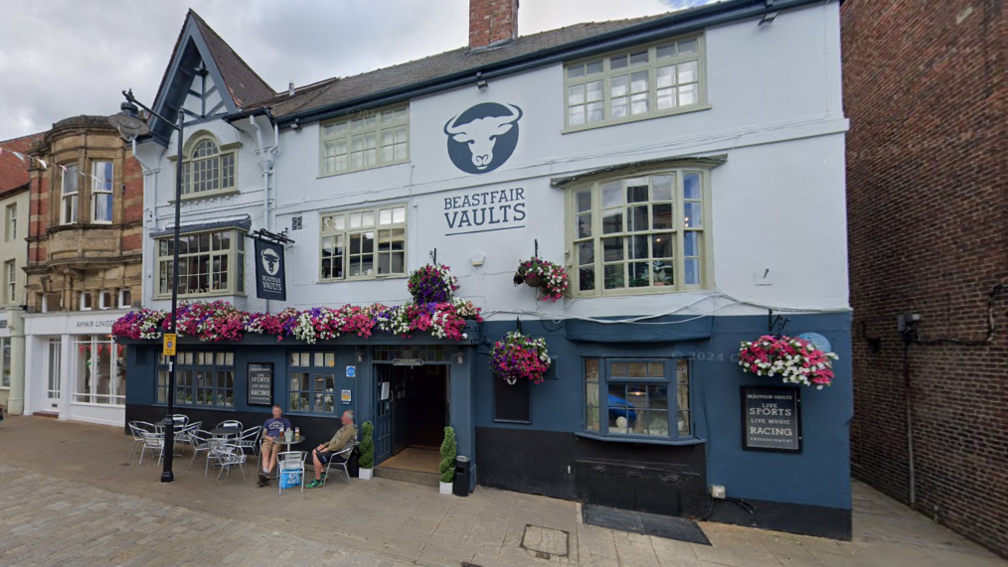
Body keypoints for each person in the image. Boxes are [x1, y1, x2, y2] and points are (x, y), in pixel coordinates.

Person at [306, 410, 357, 488]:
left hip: (340, 454)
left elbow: (340, 445)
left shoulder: (350, 429)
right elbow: (334, 441)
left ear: (347, 419)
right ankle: (323, 474)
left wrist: (327, 449)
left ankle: (317, 481)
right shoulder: (344, 428)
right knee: (315, 451)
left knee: (317, 455)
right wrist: (324, 445)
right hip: (334, 450)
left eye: (343, 416)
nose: (341, 418)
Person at [258, 404, 292, 486]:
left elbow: (289, 432)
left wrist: (286, 434)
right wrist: (269, 438)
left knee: (274, 453)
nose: (277, 413)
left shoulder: (285, 421)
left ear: (281, 412)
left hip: (279, 441)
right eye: (275, 411)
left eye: (278, 411)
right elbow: (263, 434)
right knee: (265, 453)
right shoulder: (268, 421)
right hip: (268, 440)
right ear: (273, 412)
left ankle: (267, 474)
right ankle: (265, 472)